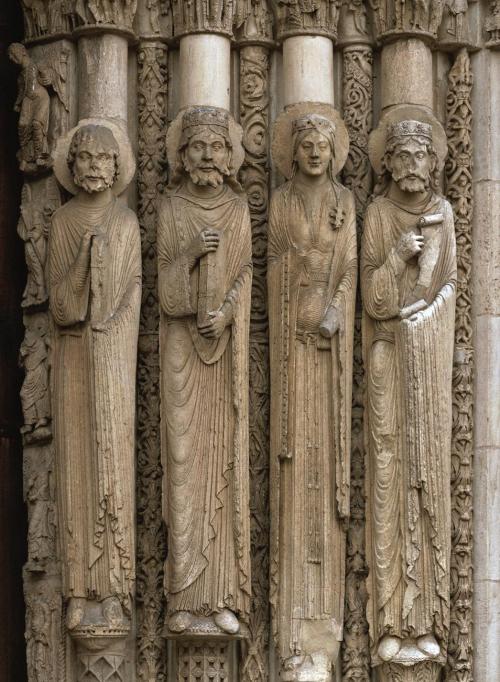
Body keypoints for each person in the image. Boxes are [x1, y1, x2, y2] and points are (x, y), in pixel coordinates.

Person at [362, 119, 456, 669]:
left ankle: (424, 619)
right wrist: (398, 255)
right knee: (388, 483)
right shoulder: (377, 216)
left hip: (427, 363)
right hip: (387, 362)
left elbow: (448, 286)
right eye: (404, 155)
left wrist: (426, 308)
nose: (415, 164)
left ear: (435, 163)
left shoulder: (443, 214)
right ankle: (389, 620)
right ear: (389, 164)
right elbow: (373, 299)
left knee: (424, 485)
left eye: (423, 155)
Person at [268, 110, 357, 681]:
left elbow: (349, 266)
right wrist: (299, 269)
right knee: (295, 465)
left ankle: (325, 627)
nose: (315, 151)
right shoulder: (280, 204)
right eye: (306, 144)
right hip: (290, 353)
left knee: (324, 470)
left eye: (324, 144)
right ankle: (292, 626)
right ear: (294, 153)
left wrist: (333, 309)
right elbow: (273, 263)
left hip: (327, 352)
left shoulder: (345, 203)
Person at [158, 106, 252, 635]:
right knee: (185, 468)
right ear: (183, 155)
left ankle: (220, 594)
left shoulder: (238, 210)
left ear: (229, 155)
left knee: (222, 466)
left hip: (224, 352)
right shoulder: (171, 210)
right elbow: (164, 287)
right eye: (198, 146)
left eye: (218, 146)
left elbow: (244, 277)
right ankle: (182, 594)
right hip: (180, 355)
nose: (209, 155)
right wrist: (192, 254)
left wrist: (228, 313)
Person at [49, 122, 141, 631]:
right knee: (77, 467)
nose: (91, 167)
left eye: (101, 159)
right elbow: (61, 305)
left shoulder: (126, 222)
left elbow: (133, 293)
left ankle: (117, 587)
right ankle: (78, 588)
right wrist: (85, 262)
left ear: (115, 169)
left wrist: (111, 325)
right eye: (82, 159)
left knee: (113, 466)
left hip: (113, 361)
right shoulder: (63, 222)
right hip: (73, 362)